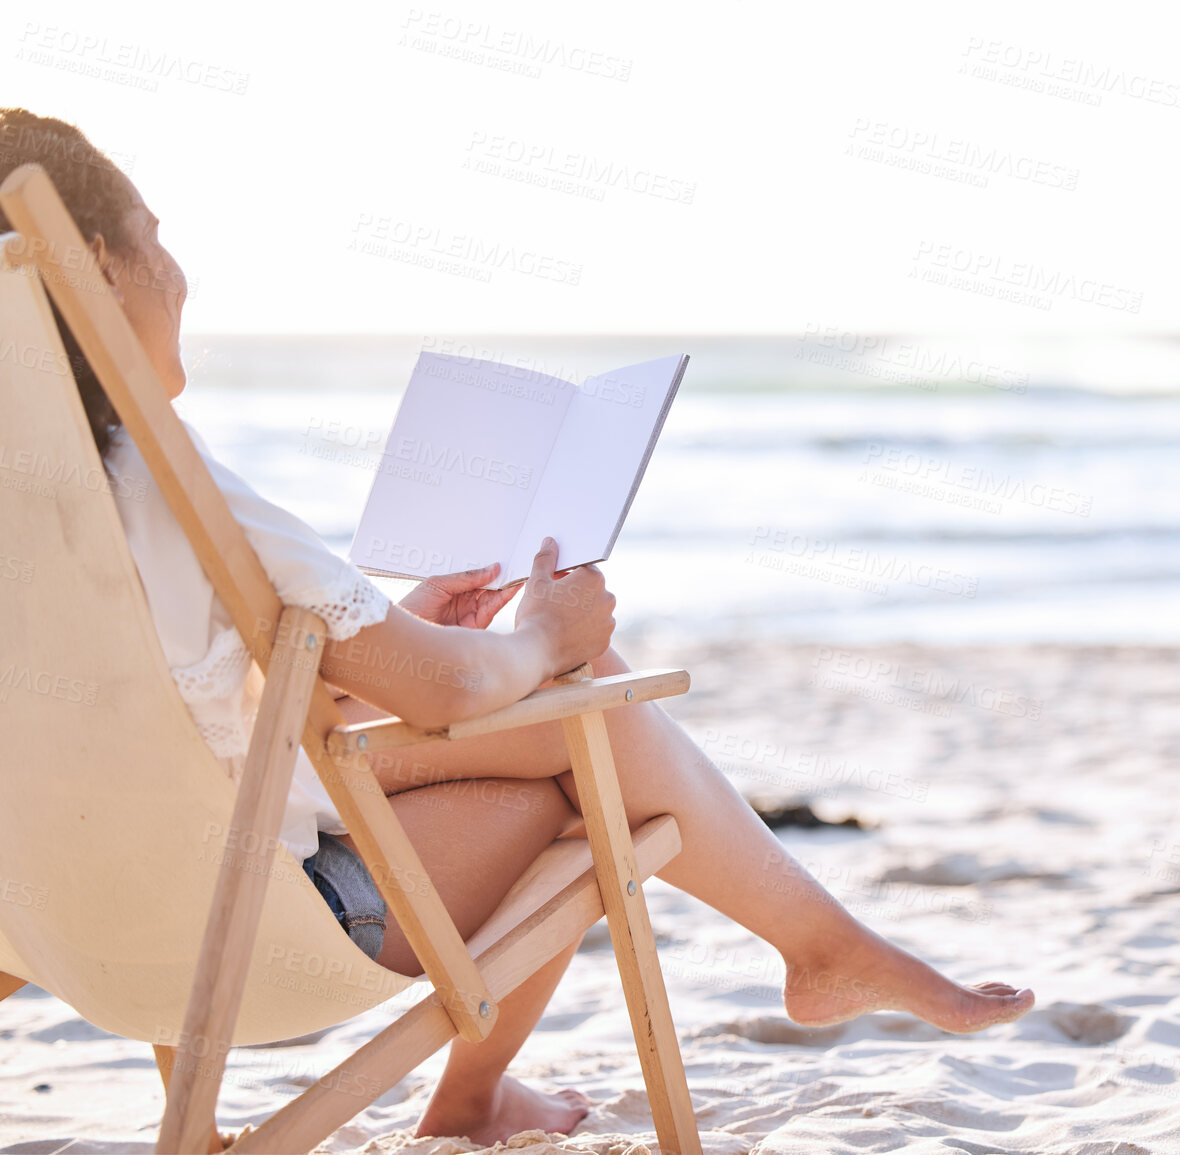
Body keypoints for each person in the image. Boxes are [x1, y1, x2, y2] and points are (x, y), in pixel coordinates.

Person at [0, 109, 1035, 1146]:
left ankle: (549, 1068)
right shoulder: (172, 485)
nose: (178, 275)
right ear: (99, 263)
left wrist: (399, 631)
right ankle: (806, 959)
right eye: (156, 236)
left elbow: (206, 708)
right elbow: (444, 696)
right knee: (588, 739)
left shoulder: (35, 507)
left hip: (73, 930)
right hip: (249, 933)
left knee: (566, 710)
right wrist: (542, 632)